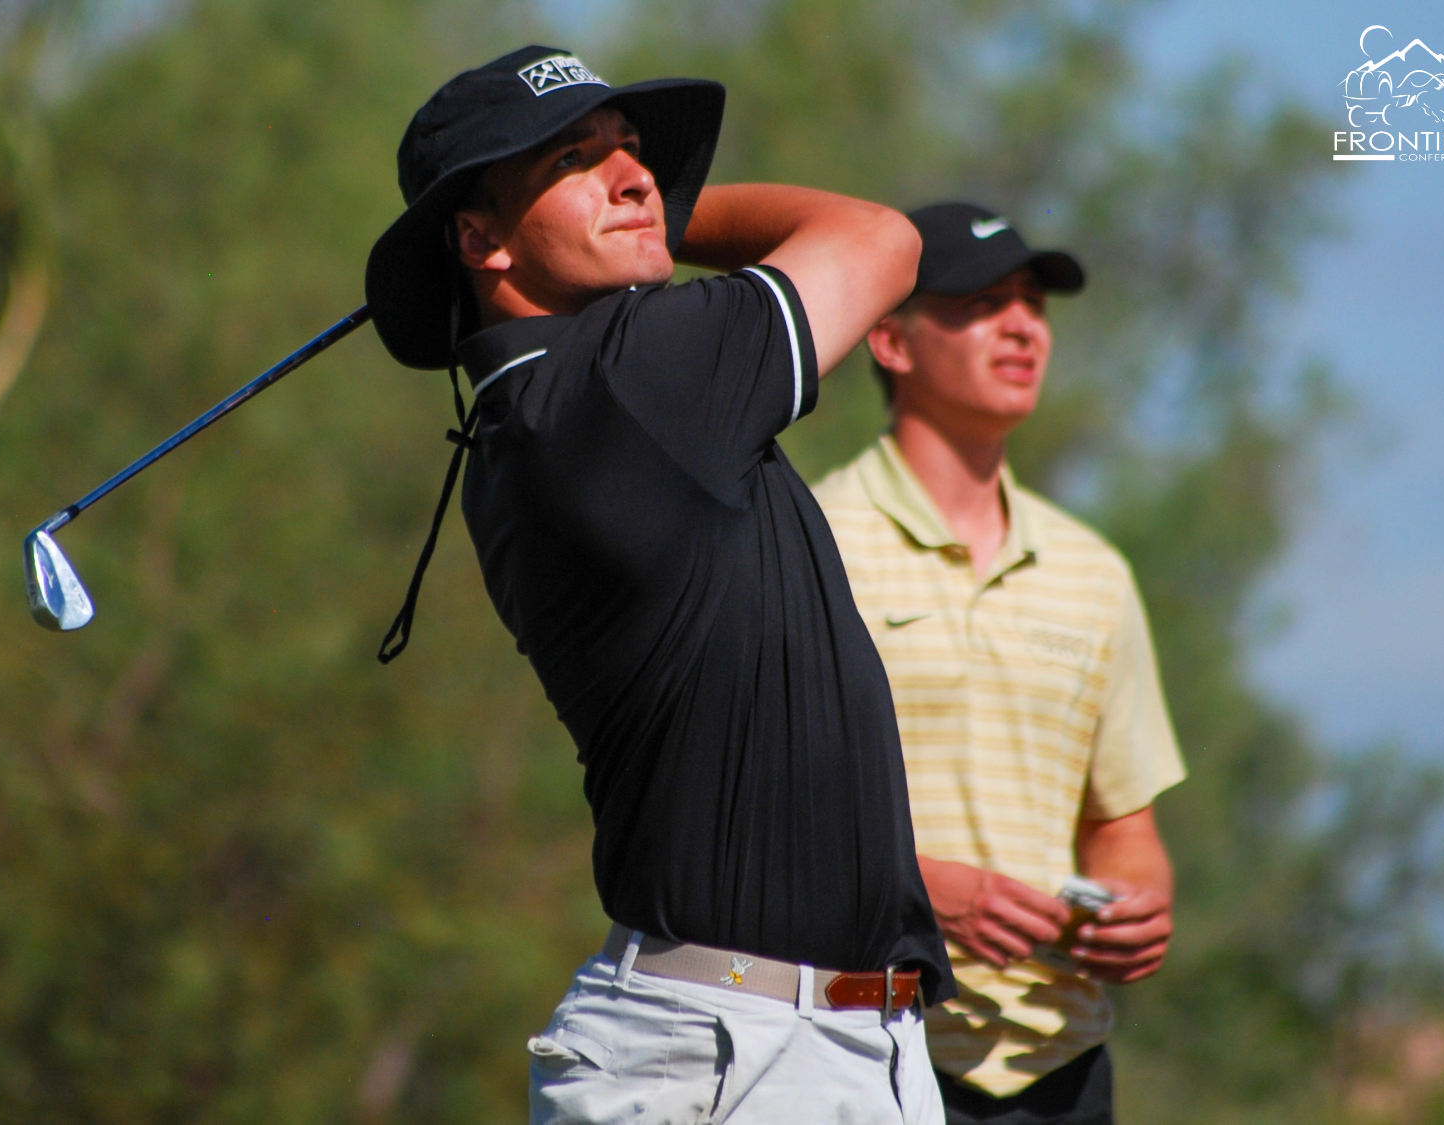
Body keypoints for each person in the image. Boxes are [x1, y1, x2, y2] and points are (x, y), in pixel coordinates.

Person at [364, 46, 952, 1124]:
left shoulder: (555, 406)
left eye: (633, 155)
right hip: (733, 1056)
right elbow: (881, 239)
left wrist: (627, 219)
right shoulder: (630, 381)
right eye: (577, 161)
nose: (636, 179)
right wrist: (670, 224)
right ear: (478, 238)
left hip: (811, 1042)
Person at [809, 203, 1187, 1125]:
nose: (1022, 325)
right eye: (982, 302)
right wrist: (919, 891)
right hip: (858, 1046)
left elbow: (1121, 824)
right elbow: (755, 813)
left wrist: (1140, 898)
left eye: (1032, 304)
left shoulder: (1094, 572)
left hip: (1060, 1067)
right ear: (890, 341)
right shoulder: (809, 542)